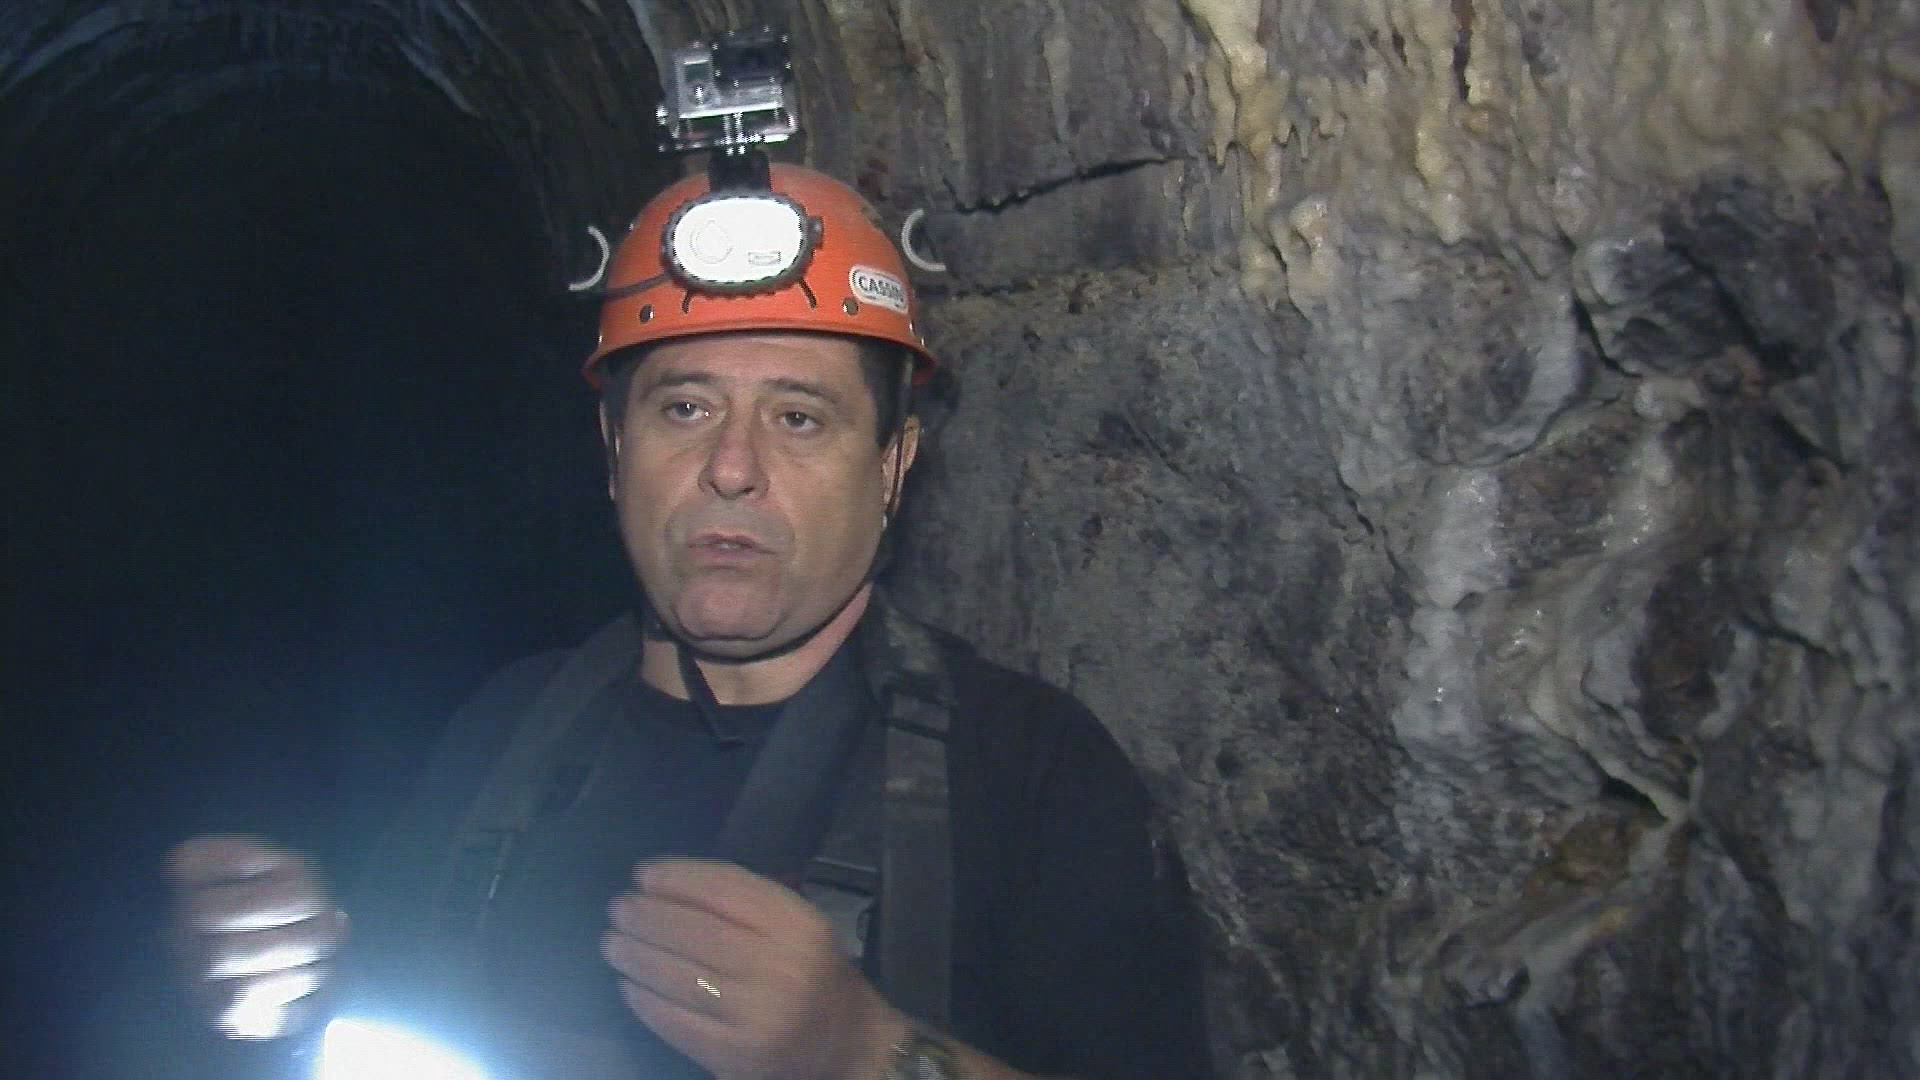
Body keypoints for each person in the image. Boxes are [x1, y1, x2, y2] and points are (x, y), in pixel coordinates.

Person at [164, 158, 1213, 1080]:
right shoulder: (509, 732)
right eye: (686, 407)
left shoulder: (1031, 772)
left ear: (893, 467)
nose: (733, 468)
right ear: (615, 450)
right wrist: (299, 992)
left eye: (799, 417)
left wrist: (864, 1054)